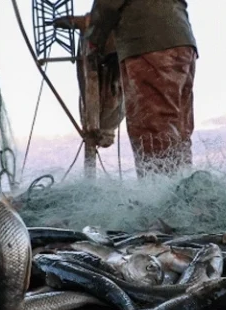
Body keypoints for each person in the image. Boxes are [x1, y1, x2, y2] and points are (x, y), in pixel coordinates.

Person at [85, 0, 197, 178]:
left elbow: (106, 4)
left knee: (151, 127)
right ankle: (183, 192)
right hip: (182, 43)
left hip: (149, 46)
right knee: (178, 129)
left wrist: (93, 40)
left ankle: (159, 197)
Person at [52, 14, 125, 149]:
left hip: (108, 60)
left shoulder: (111, 117)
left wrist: (74, 22)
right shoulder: (112, 117)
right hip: (108, 60)